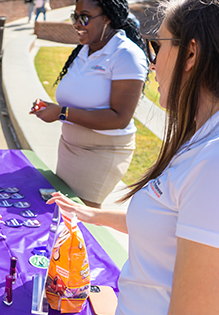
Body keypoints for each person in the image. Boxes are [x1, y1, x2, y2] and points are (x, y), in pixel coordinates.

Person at [48, 0, 219, 313]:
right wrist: (91, 214)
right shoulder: (199, 138)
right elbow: (167, 221)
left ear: (190, 54)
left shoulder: (213, 163)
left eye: (158, 46)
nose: (151, 63)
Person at [31, 0, 148, 208]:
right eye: (75, 17)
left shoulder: (126, 55)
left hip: (101, 152)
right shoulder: (84, 50)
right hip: (69, 148)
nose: (77, 24)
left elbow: (120, 118)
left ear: (107, 17)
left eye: (84, 17)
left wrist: (62, 113)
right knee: (62, 214)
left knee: (77, 219)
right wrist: (52, 108)